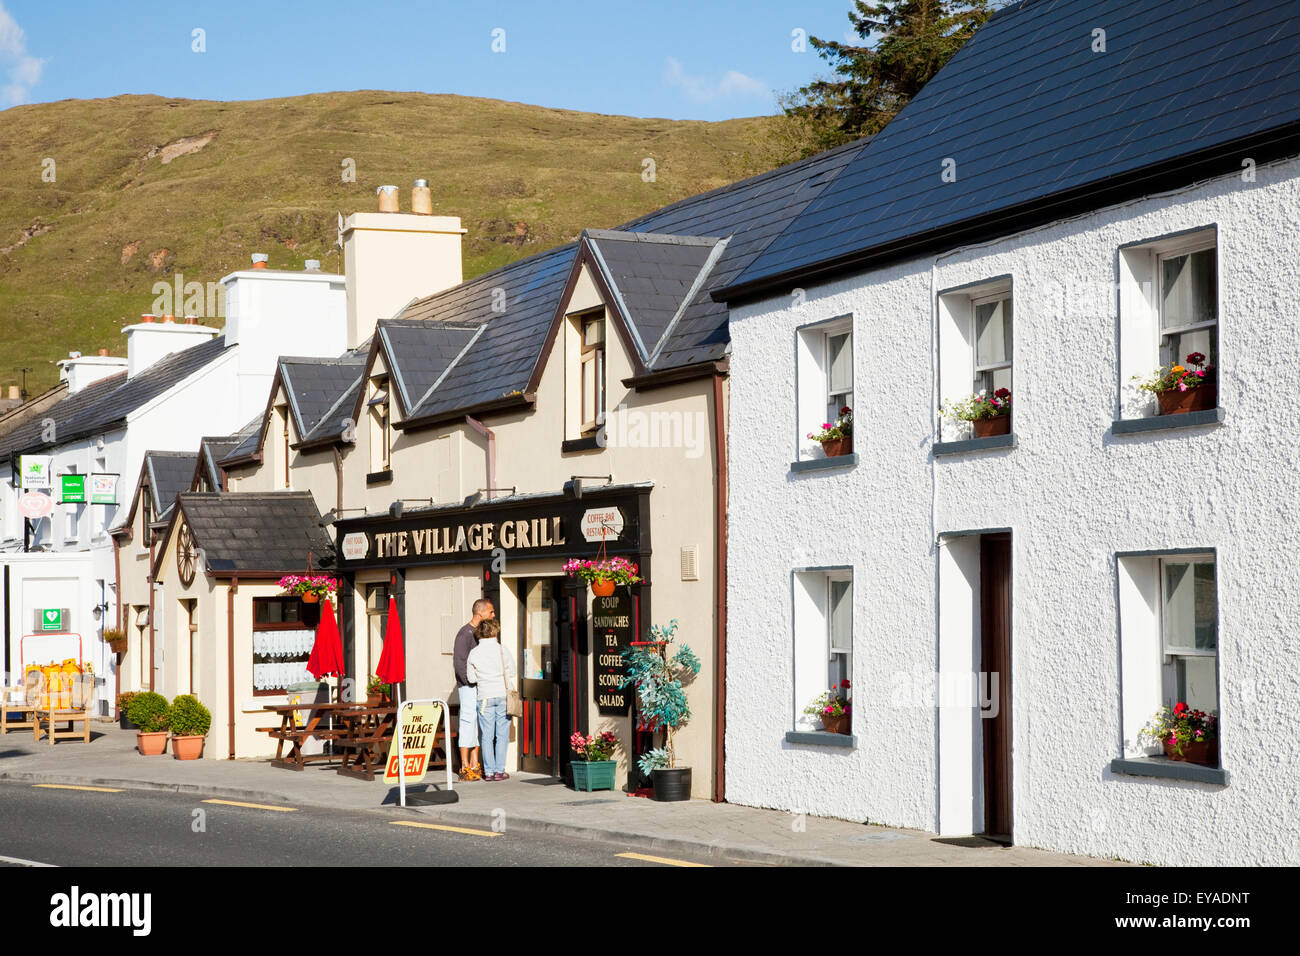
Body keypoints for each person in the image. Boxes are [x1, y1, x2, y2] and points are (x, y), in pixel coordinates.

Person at [465, 617, 516, 781]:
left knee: (486, 736)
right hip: (502, 695)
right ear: (495, 631)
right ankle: (500, 771)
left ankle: (489, 772)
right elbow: (512, 671)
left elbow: (471, 679)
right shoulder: (502, 650)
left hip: (485, 696)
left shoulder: (474, 653)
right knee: (502, 735)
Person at [454, 598, 494, 781]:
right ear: (480, 613)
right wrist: (470, 682)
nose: (493, 615)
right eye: (491, 612)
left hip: (480, 686)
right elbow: (459, 663)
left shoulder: (480, 633)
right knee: (467, 722)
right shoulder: (465, 634)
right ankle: (464, 766)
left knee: (478, 723)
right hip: (469, 687)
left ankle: (475, 763)